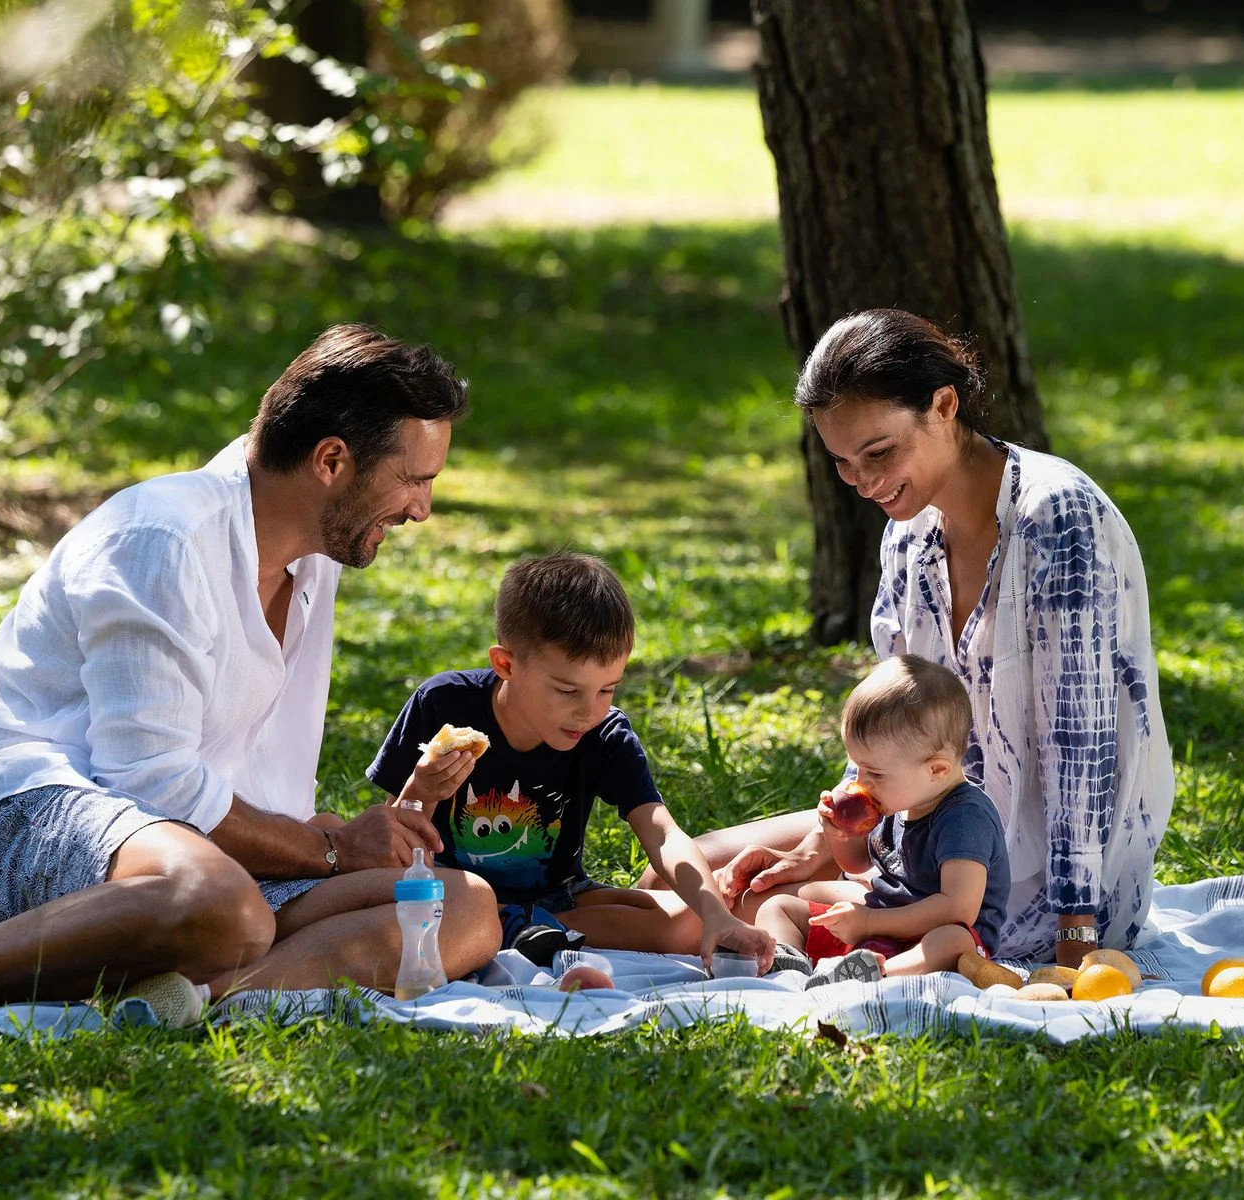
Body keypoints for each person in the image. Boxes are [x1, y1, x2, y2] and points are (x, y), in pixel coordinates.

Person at [0, 324, 503, 1041]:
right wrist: (334, 852)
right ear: (331, 461)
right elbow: (150, 782)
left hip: (201, 859)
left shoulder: (312, 553)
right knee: (223, 906)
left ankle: (190, 998)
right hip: (33, 826)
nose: (420, 508)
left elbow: (232, 789)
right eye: (412, 479)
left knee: (461, 907)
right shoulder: (163, 540)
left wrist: (332, 839)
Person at [662, 308, 1174, 967]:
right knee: (682, 872)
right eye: (845, 464)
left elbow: (1082, 746)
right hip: (922, 832)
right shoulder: (907, 534)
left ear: (942, 404)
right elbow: (893, 711)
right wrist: (827, 839)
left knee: (702, 913)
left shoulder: (1055, 517)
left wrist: (1076, 938)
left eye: (878, 453)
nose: (867, 482)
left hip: (1033, 890)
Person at [367, 552, 775, 971]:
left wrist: (716, 916)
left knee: (690, 920)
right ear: (506, 664)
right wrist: (421, 790)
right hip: (449, 893)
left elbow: (663, 833)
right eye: (567, 691)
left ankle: (529, 925)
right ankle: (513, 923)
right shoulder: (442, 704)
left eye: (607, 690)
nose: (589, 712)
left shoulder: (603, 734)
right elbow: (393, 843)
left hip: (558, 899)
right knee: (402, 890)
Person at [743, 655, 1009, 983]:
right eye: (859, 768)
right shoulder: (897, 799)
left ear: (936, 769)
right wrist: (839, 835)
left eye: (874, 772)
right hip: (882, 918)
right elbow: (858, 864)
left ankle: (875, 973)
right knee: (778, 907)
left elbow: (957, 909)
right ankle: (790, 963)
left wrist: (869, 922)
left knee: (953, 940)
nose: (862, 781)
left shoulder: (965, 818)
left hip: (933, 936)